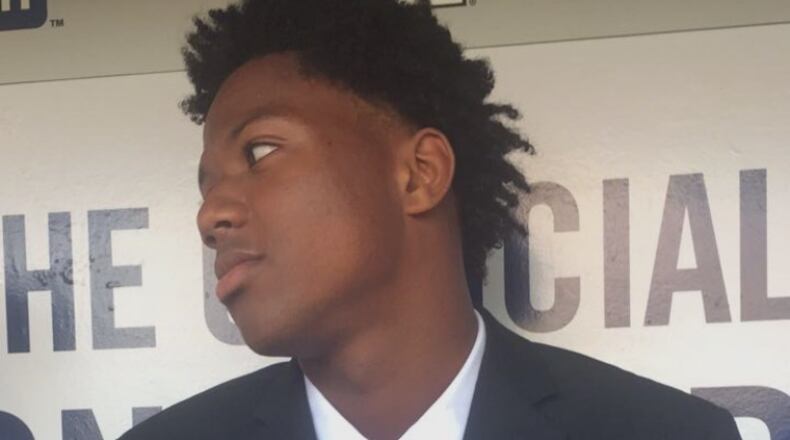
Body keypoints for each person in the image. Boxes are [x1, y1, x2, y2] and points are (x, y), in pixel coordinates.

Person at [120, 0, 742, 439]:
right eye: (206, 185)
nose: (211, 215)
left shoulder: (664, 432)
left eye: (259, 152)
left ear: (419, 173)